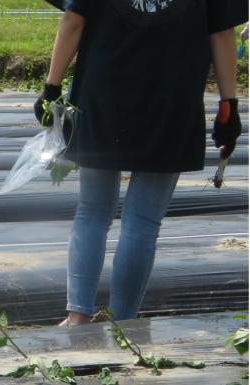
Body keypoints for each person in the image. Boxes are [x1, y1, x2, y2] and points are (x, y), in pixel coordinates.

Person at [33, 0, 246, 324]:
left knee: (92, 212)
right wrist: (228, 104)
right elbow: (221, 33)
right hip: (170, 101)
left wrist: (51, 87)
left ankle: (78, 316)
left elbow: (74, 20)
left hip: (102, 96)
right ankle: (123, 323)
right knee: (143, 222)